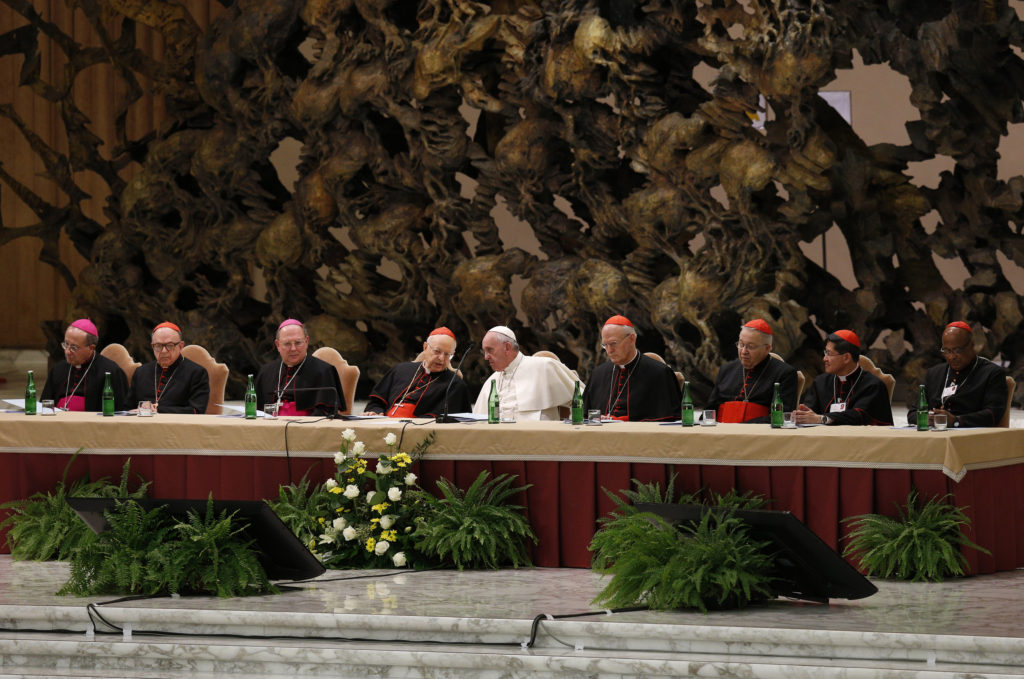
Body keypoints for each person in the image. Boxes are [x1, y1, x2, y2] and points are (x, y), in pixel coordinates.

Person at [906, 321, 1008, 428]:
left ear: (971, 345)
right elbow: (912, 413)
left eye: (957, 350)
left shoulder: (992, 373)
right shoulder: (934, 373)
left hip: (971, 438)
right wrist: (928, 418)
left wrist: (956, 421)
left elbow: (993, 414)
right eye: (946, 351)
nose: (951, 357)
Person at [582, 315, 680, 421]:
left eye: (614, 343)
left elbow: (670, 418)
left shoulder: (660, 373)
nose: (609, 350)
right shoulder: (598, 374)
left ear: (632, 339)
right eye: (605, 345)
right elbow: (584, 415)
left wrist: (623, 420)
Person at [472, 326, 580, 421]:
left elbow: (582, 400)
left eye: (490, 350)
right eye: (484, 351)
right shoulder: (491, 382)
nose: (486, 357)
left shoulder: (544, 367)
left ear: (507, 347)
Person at [364, 327, 471, 417]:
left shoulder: (455, 384)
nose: (442, 358)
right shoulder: (400, 370)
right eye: (437, 351)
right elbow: (376, 402)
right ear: (425, 347)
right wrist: (375, 412)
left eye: (448, 354)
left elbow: (442, 419)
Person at [706, 319, 798, 423]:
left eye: (751, 346)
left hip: (759, 435)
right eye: (741, 344)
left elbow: (782, 416)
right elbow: (710, 410)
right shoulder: (726, 370)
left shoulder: (785, 374)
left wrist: (740, 428)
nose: (744, 351)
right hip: (720, 433)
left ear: (767, 349)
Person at [794, 329, 893, 425]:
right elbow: (809, 411)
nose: (824, 359)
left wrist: (822, 419)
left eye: (829, 354)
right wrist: (802, 415)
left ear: (846, 358)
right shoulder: (821, 382)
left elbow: (859, 416)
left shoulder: (872, 385)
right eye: (825, 353)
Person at [254, 319, 345, 416]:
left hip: (306, 428)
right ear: (278, 345)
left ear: (306, 342)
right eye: (287, 344)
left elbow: (326, 413)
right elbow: (257, 411)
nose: (293, 349)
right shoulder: (266, 372)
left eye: (298, 343)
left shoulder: (324, 371)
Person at [40, 318, 131, 412]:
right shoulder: (58, 370)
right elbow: (44, 406)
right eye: (66, 345)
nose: (67, 351)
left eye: (74, 347)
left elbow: (120, 413)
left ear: (91, 348)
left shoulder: (111, 372)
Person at [130, 322, 210, 414]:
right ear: (152, 346)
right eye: (158, 346)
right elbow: (128, 408)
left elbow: (196, 410)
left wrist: (158, 410)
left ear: (180, 346)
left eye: (169, 345)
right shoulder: (140, 372)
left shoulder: (197, 373)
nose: (164, 351)